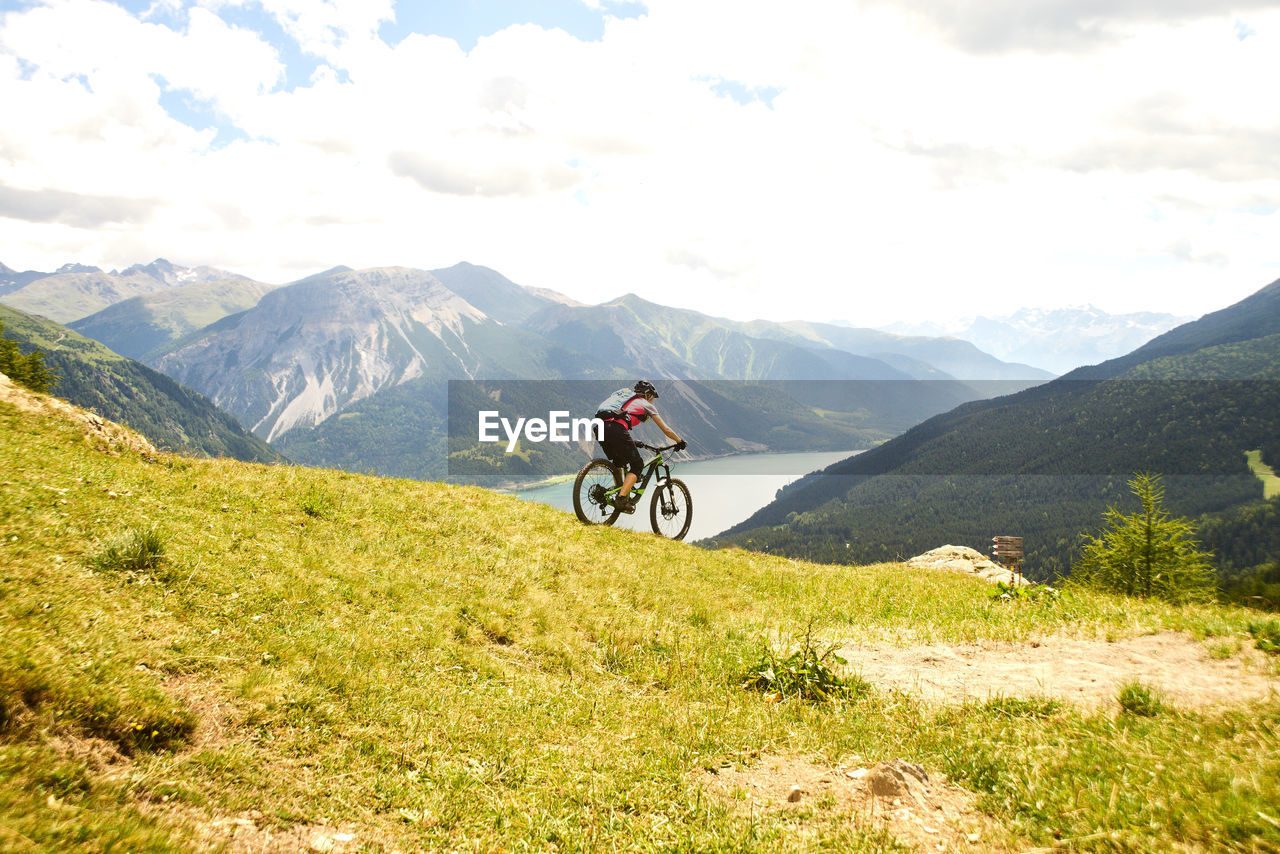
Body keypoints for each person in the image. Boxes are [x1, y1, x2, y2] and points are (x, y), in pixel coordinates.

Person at [597, 380, 685, 513]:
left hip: (599, 427)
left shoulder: (625, 398)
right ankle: (621, 499)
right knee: (637, 465)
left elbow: (615, 423)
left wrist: (631, 441)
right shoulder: (645, 404)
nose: (652, 402)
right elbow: (666, 430)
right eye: (652, 398)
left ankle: (620, 493)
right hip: (616, 428)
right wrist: (679, 441)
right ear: (648, 395)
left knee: (619, 463)